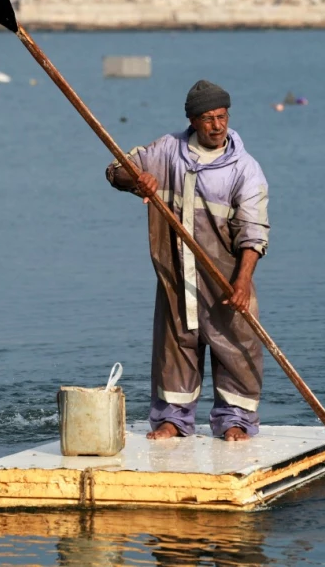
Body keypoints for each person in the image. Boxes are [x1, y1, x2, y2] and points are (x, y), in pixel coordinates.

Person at [105, 80, 270, 442]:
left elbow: (253, 232)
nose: (216, 126)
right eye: (208, 118)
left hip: (226, 280)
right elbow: (115, 169)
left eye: (222, 117)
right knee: (175, 347)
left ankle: (235, 422)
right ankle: (173, 421)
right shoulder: (166, 151)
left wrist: (242, 283)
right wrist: (136, 179)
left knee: (236, 350)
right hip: (175, 276)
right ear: (193, 121)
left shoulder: (245, 169)